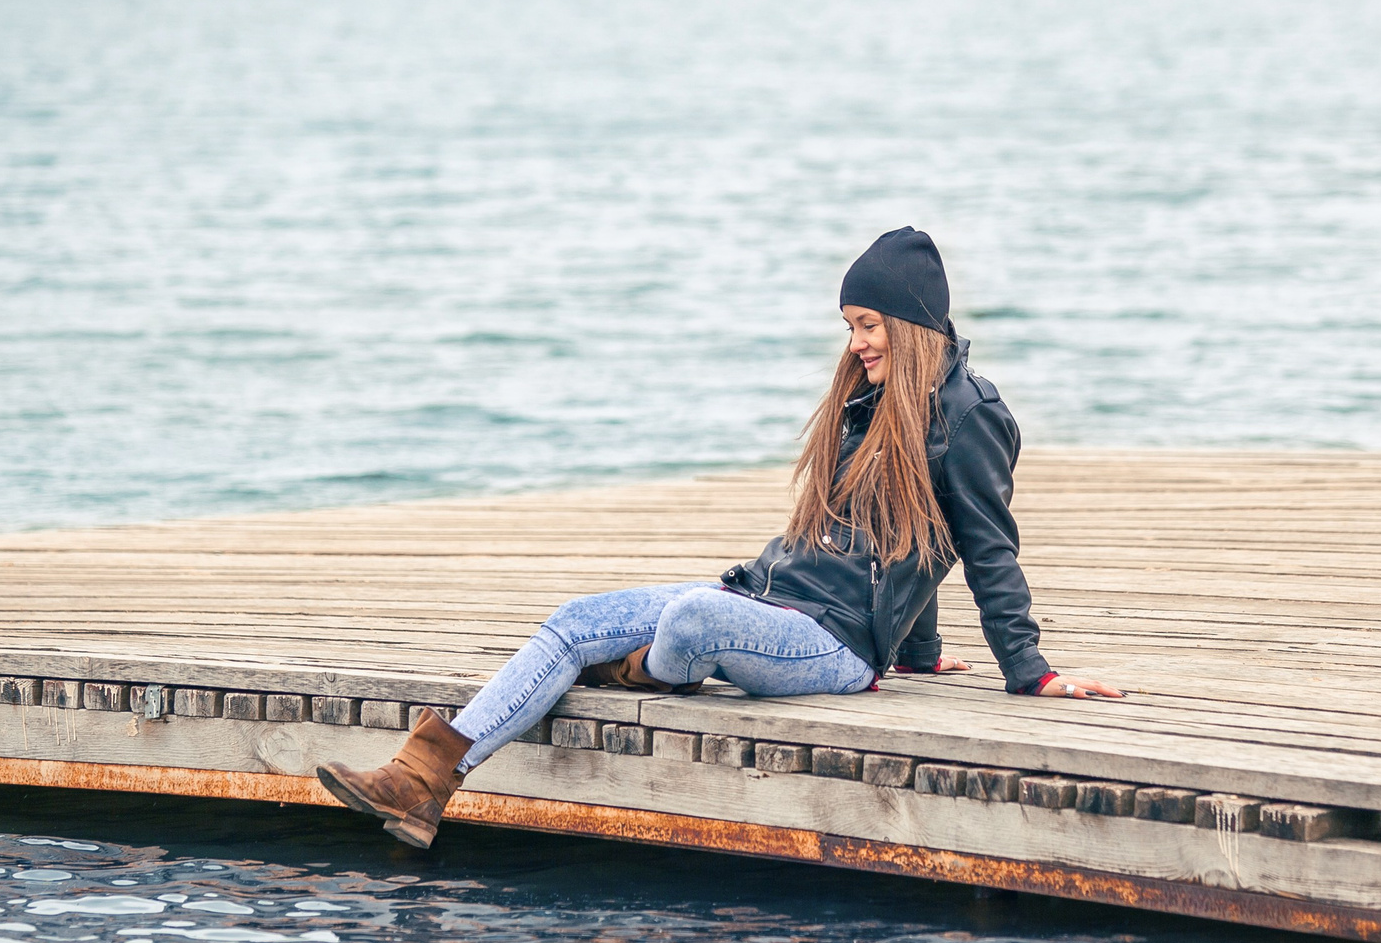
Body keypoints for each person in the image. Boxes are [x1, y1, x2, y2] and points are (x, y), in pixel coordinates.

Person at [317, 227, 1123, 848]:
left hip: (833, 647)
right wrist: (921, 649)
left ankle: (648, 670)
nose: (857, 344)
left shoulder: (975, 416)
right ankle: (422, 779)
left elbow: (982, 543)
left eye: (869, 324)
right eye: (850, 326)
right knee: (575, 619)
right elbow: (900, 530)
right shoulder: (873, 401)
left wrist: (1031, 670)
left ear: (912, 323)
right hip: (767, 598)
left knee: (689, 622)